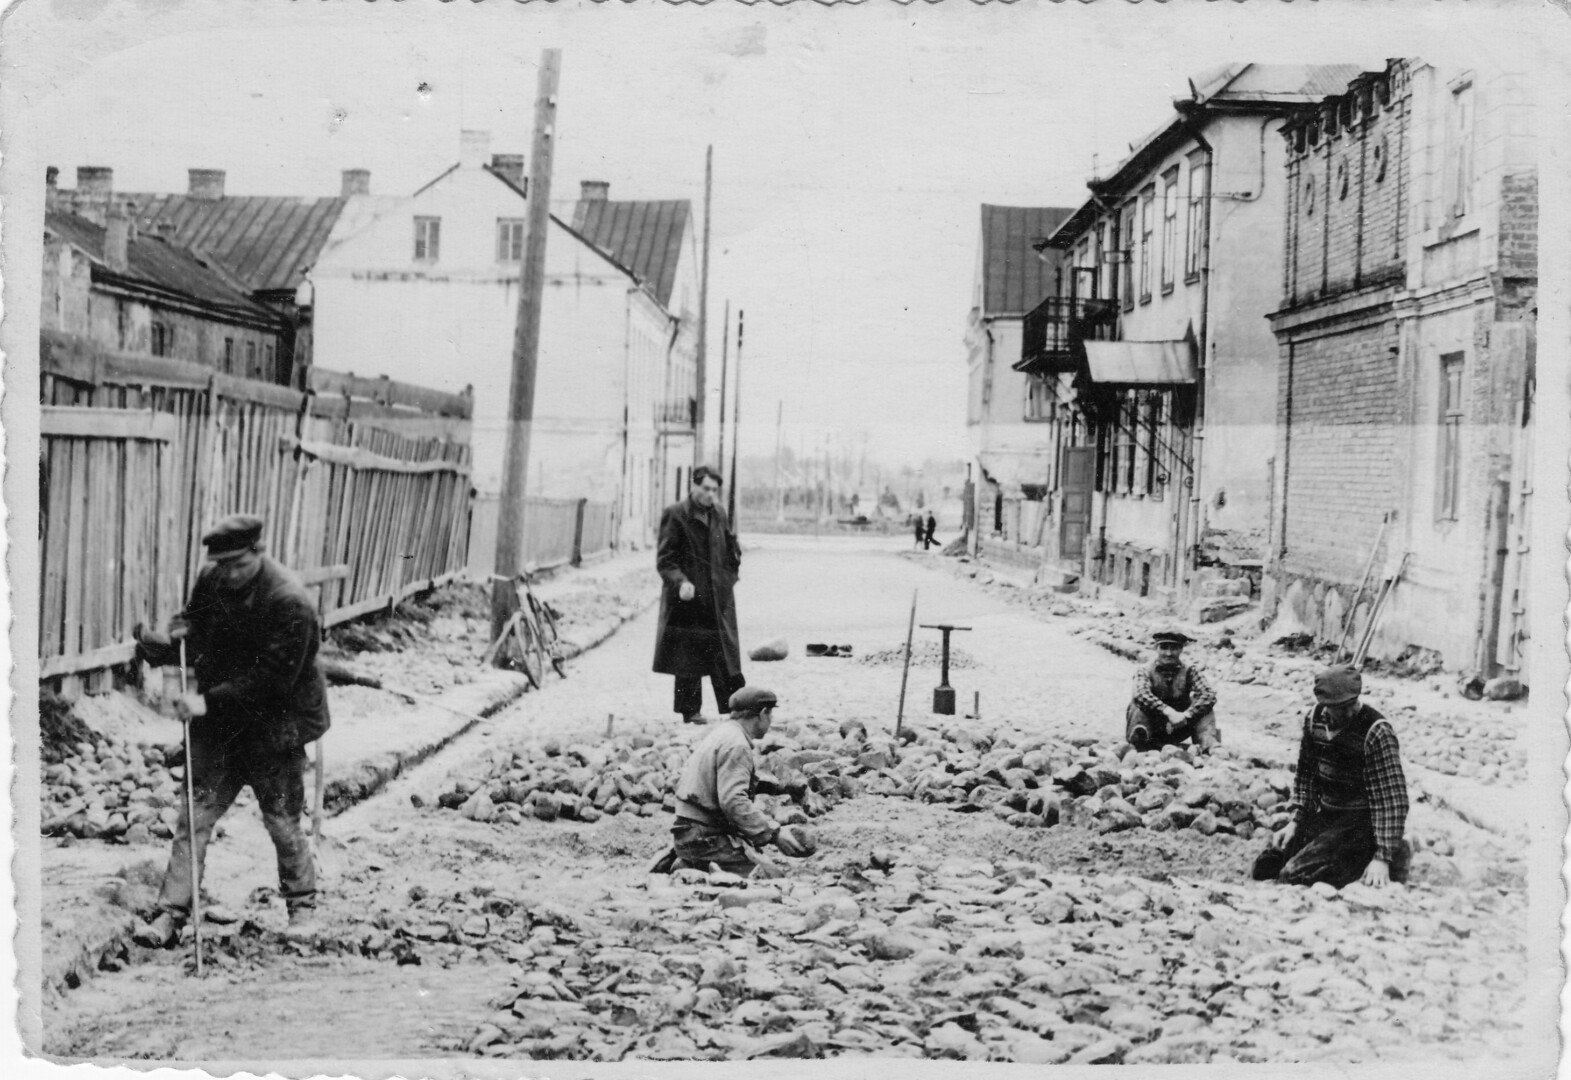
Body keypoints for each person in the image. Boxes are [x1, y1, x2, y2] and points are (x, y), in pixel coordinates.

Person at [131, 514, 331, 947]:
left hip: (275, 724)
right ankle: (171, 912)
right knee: (193, 816)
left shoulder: (290, 600)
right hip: (220, 723)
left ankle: (302, 908)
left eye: (239, 564)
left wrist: (206, 701)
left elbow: (274, 680)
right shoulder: (213, 578)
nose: (230, 574)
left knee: (281, 820)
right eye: (223, 565)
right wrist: (168, 641)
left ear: (259, 553)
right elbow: (198, 631)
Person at [1252, 663, 1411, 889]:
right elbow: (1306, 776)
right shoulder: (1314, 720)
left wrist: (1382, 857)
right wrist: (1295, 822)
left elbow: (1392, 800)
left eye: (1342, 706)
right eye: (1330, 706)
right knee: (1266, 866)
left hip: (1360, 825)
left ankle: (1386, 855)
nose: (1328, 712)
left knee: (1294, 875)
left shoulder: (1376, 732)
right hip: (1327, 814)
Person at [667, 687, 811, 877]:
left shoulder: (722, 733)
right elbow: (733, 801)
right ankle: (693, 865)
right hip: (703, 837)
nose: (771, 721)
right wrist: (773, 834)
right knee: (769, 875)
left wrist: (773, 788)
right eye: (770, 714)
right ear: (761, 714)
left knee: (755, 859)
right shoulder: (737, 745)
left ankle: (692, 863)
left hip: (690, 831)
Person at [653, 465, 746, 723]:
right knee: (688, 655)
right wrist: (680, 582)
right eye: (705, 488)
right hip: (688, 598)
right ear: (693, 486)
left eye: (715, 490)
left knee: (724, 652)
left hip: (717, 596)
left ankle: (736, 707)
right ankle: (690, 711)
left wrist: (730, 576)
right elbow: (665, 560)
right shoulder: (675, 515)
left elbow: (729, 547)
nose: (710, 494)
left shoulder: (718, 513)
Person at [1125, 628, 1221, 754]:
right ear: (1156, 648)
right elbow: (1140, 694)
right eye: (1164, 648)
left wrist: (1187, 715)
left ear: (1181, 650)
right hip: (1153, 727)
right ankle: (1140, 742)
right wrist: (1167, 711)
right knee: (1137, 703)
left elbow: (1208, 694)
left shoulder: (1190, 670)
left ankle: (1209, 744)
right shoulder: (1144, 670)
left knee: (1204, 705)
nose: (1169, 653)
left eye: (1174, 648)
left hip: (1179, 725)